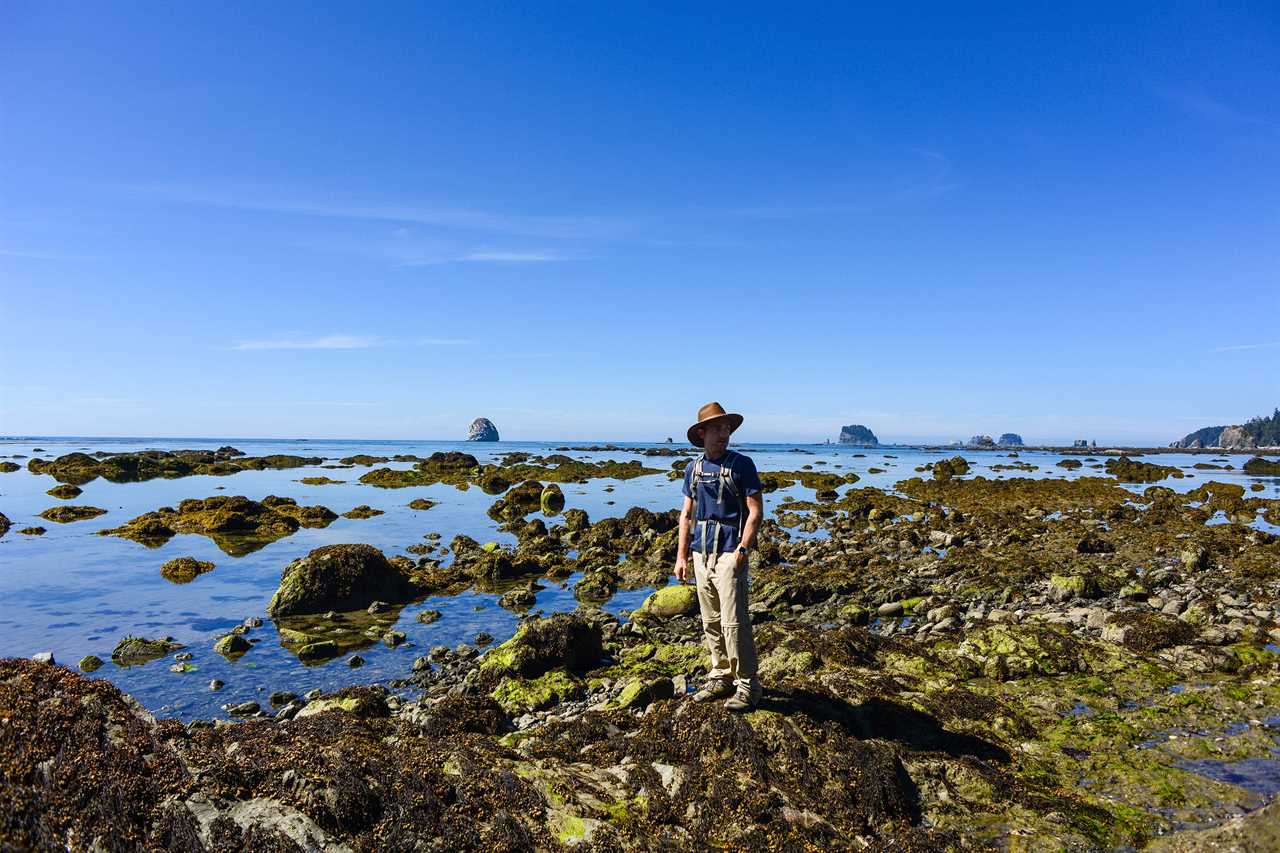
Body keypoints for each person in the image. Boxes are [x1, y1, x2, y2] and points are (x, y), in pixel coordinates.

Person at [674, 401, 764, 711]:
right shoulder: (693, 469)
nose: (723, 434)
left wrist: (743, 549)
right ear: (702, 433)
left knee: (734, 621)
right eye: (717, 428)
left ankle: (748, 684)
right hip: (701, 553)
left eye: (727, 428)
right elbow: (686, 515)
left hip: (729, 553)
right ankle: (721, 674)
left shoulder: (742, 465)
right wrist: (681, 557)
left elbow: (755, 512)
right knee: (710, 619)